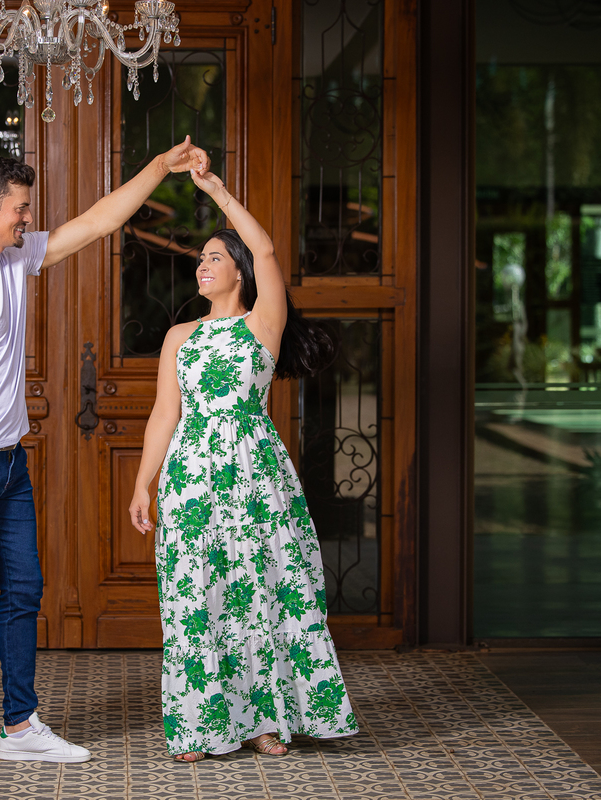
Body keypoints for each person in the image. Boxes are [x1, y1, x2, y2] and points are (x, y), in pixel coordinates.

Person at [0, 138, 210, 773]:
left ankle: (19, 725)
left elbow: (97, 222)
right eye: (20, 207)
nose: (28, 217)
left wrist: (158, 166)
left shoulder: (15, 259)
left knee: (24, 591)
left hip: (10, 463)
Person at [128, 168, 359, 761]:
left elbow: (267, 249)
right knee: (194, 595)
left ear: (240, 271)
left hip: (255, 474)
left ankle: (264, 722)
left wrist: (215, 190)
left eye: (215, 257)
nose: (202, 266)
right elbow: (164, 413)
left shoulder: (262, 323)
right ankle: (198, 726)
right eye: (200, 259)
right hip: (191, 477)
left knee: (258, 591)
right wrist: (143, 483)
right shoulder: (179, 336)